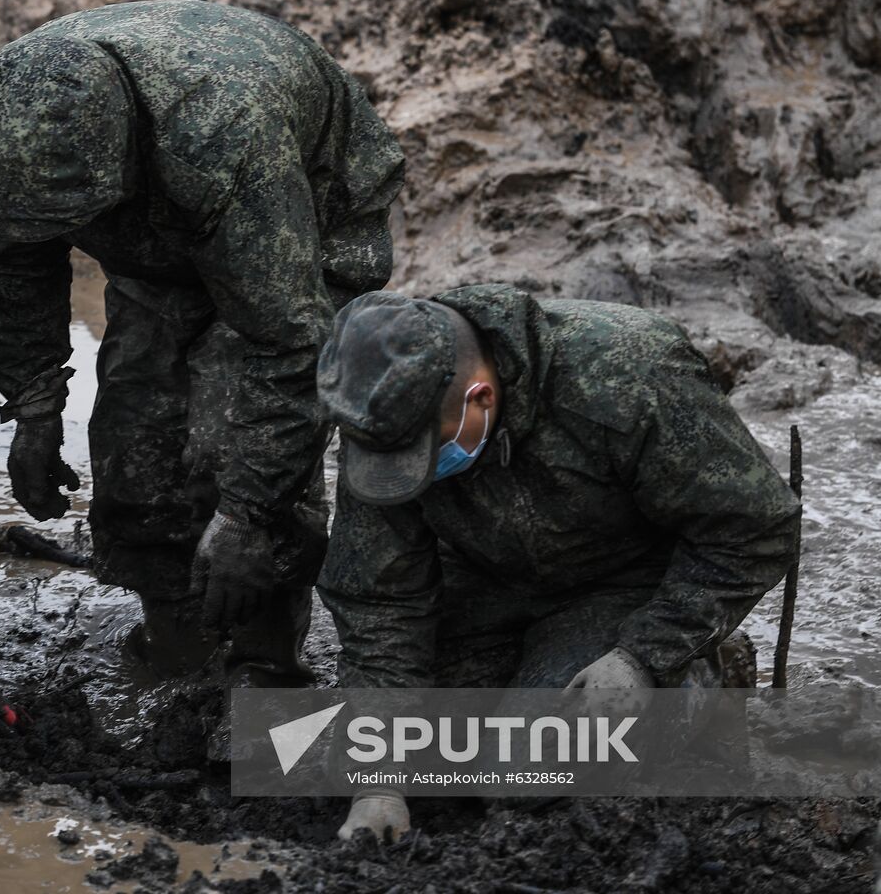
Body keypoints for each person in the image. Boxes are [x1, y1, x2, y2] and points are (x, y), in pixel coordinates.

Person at [0, 0, 405, 688]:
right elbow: (16, 269)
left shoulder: (225, 138)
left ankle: (263, 657)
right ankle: (176, 634)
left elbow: (290, 348)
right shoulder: (1, 127)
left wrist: (248, 514)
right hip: (155, 238)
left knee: (232, 445)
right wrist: (35, 407)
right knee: (137, 439)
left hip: (308, 215)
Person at [315, 285, 800, 840]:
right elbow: (380, 604)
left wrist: (647, 656)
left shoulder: (630, 373)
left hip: (623, 590)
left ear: (481, 399)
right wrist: (378, 784)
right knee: (383, 756)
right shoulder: (381, 416)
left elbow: (753, 529)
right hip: (481, 583)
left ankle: (703, 666)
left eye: (423, 457)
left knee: (522, 773)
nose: (409, 473)